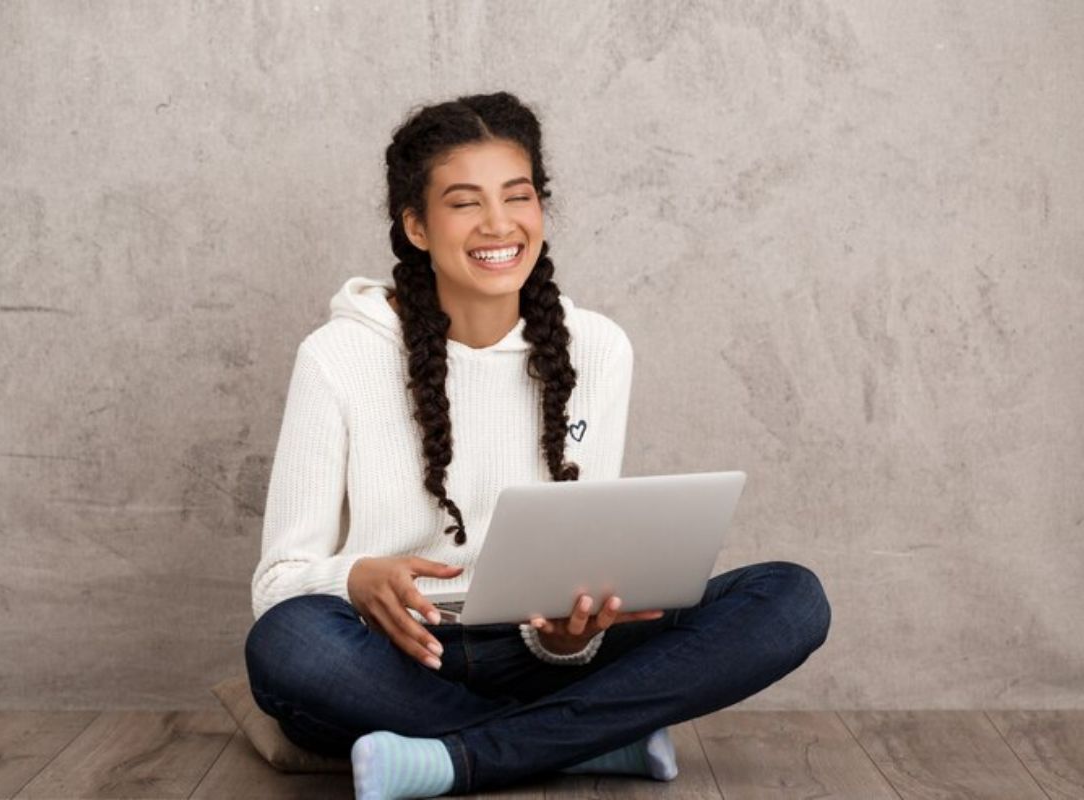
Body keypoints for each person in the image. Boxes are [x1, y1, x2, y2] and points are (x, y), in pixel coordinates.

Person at [244, 91, 832, 800]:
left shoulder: (598, 349)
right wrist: (357, 579)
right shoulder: (338, 356)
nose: (498, 224)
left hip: (543, 656)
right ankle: (589, 742)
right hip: (398, 656)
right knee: (289, 645)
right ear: (417, 227)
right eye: (464, 203)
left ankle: (463, 757)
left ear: (540, 209)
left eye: (517, 197)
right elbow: (279, 582)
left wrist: (566, 636)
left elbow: (579, 568)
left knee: (791, 598)